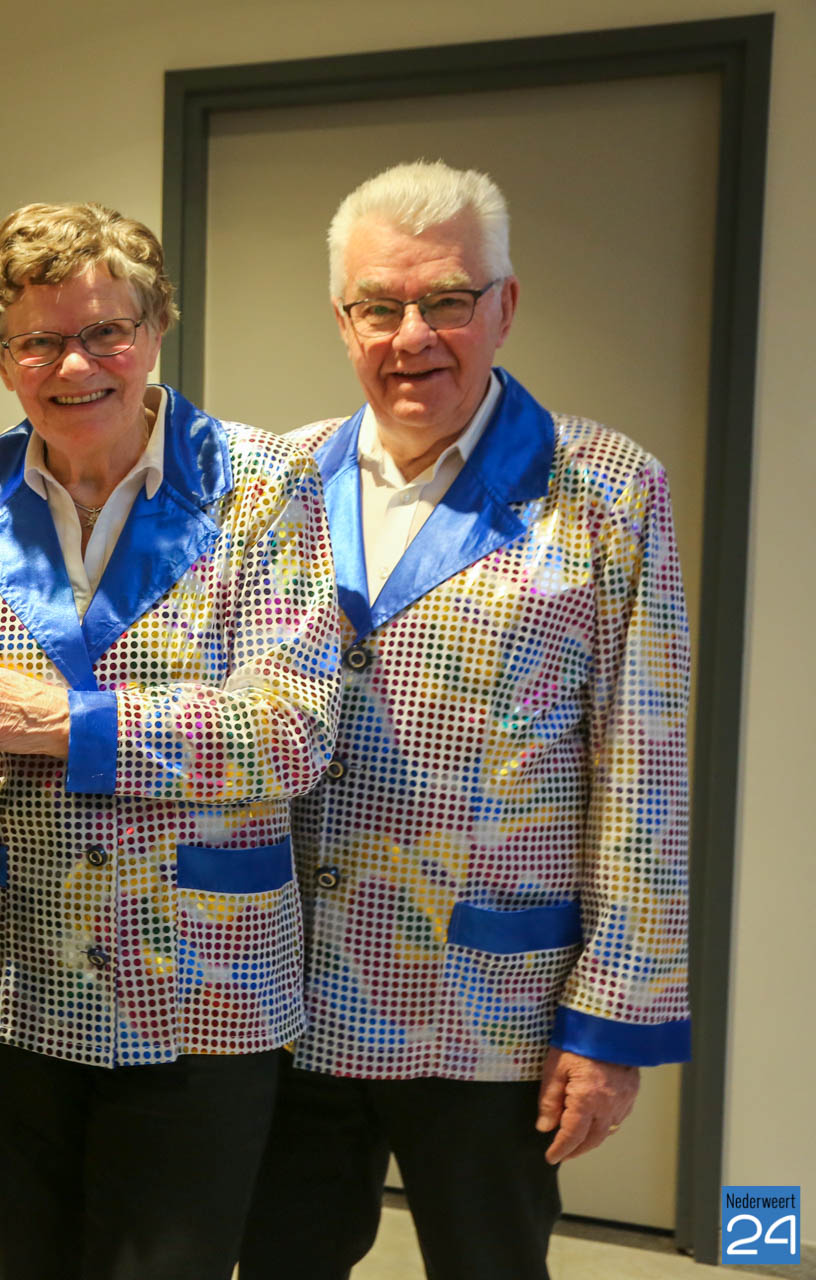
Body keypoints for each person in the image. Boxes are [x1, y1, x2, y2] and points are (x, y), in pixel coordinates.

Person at [0, 202, 342, 1280]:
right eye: (38, 341)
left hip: (204, 991)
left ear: (157, 326)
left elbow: (294, 728)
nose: (76, 365)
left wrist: (56, 723)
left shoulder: (269, 489)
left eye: (105, 332)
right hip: (6, 982)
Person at [237, 161, 692, 1280]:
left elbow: (646, 765)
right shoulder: (276, 479)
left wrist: (611, 1022)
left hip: (490, 1004)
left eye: (446, 299)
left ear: (504, 304)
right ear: (342, 317)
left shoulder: (606, 489)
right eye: (378, 306)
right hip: (290, 988)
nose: (413, 337)